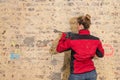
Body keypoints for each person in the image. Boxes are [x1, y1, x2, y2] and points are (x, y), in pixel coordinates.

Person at [56, 14, 104, 80]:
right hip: (91, 73)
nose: (76, 26)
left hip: (77, 74)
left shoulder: (72, 40)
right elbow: (101, 54)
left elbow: (59, 49)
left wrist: (63, 37)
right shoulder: (96, 40)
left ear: (81, 26)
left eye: (77, 25)